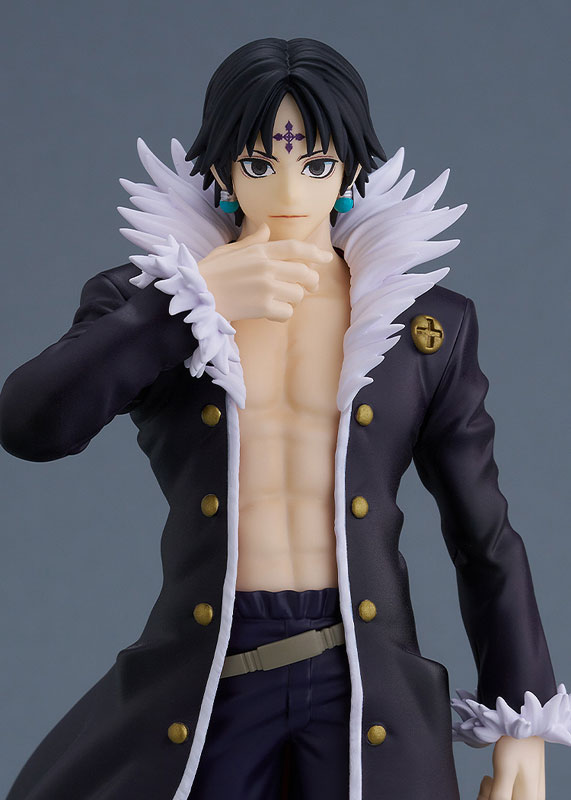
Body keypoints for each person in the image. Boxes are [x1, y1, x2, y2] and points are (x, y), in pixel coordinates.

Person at [0, 36, 569, 800]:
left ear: (351, 169)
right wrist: (182, 306)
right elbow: (31, 427)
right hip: (212, 672)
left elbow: (482, 531)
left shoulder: (422, 325)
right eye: (261, 163)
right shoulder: (147, 302)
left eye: (317, 163)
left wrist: (519, 724)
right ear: (223, 169)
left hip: (364, 680)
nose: (291, 189)